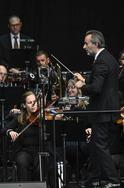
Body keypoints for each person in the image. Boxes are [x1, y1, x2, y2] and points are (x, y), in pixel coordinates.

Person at [74, 30, 120, 188]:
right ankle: (93, 179)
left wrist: (82, 86)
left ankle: (113, 180)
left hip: (102, 110)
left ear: (96, 44)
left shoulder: (100, 61)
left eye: (87, 43)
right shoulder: (108, 58)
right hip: (106, 109)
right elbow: (104, 83)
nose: (84, 46)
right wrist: (85, 79)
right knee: (95, 144)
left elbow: (97, 88)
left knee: (99, 145)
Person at [2, 91, 40, 181]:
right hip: (24, 150)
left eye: (35, 102)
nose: (33, 105)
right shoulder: (19, 117)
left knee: (40, 166)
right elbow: (4, 129)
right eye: (30, 103)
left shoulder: (42, 117)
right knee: (21, 161)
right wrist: (10, 131)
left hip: (40, 150)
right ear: (24, 105)